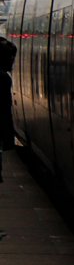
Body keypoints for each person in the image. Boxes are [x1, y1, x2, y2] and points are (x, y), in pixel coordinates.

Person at [0, 36, 16, 184]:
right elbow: (5, 110)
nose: (13, 62)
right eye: (11, 57)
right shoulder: (3, 79)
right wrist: (8, 138)